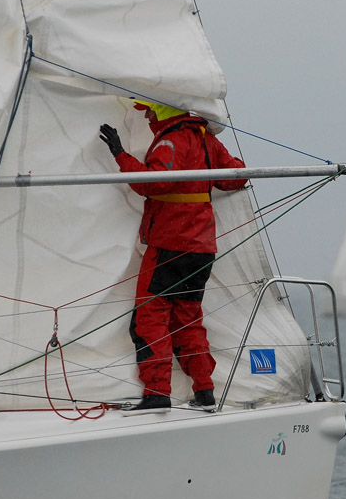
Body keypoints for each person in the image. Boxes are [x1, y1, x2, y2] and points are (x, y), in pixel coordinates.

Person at [99, 99, 248, 413]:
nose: (149, 116)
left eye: (150, 111)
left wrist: (120, 155)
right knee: (188, 322)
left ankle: (157, 395)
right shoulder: (206, 138)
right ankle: (205, 392)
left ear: (162, 111)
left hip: (169, 245)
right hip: (202, 249)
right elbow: (235, 177)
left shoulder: (170, 140)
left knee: (149, 320)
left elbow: (155, 183)